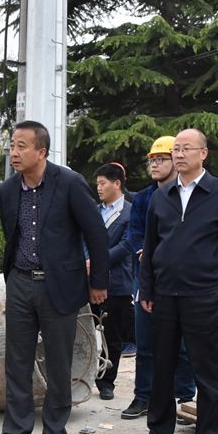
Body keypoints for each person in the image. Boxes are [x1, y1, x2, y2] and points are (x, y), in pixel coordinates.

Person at [0, 120, 108, 434]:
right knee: (17, 365)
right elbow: (12, 235)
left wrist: (98, 282)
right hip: (20, 283)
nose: (14, 152)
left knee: (58, 366)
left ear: (41, 151)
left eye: (22, 146)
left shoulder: (69, 183)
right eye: (12, 145)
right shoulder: (7, 190)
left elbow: (96, 234)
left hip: (60, 285)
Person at [132, 129, 218, 434]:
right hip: (164, 295)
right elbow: (150, 246)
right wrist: (147, 289)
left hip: (202, 294)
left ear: (203, 153)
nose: (179, 155)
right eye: (176, 149)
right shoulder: (162, 196)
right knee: (161, 367)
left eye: (186, 149)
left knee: (205, 371)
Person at [121, 136, 196, 421]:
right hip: (147, 278)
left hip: (183, 279)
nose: (154, 164)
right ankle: (144, 396)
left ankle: (185, 397)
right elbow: (135, 235)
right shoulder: (143, 198)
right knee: (146, 342)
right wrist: (148, 253)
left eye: (160, 159)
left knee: (183, 344)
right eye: (151, 160)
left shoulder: (190, 194)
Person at [90, 162, 133, 401]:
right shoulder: (94, 211)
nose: (99, 188)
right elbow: (83, 238)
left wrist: (98, 261)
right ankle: (83, 375)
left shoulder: (130, 212)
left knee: (112, 336)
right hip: (88, 280)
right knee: (85, 331)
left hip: (117, 282)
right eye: (97, 184)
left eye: (102, 183)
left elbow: (127, 245)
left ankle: (107, 381)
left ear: (117, 184)